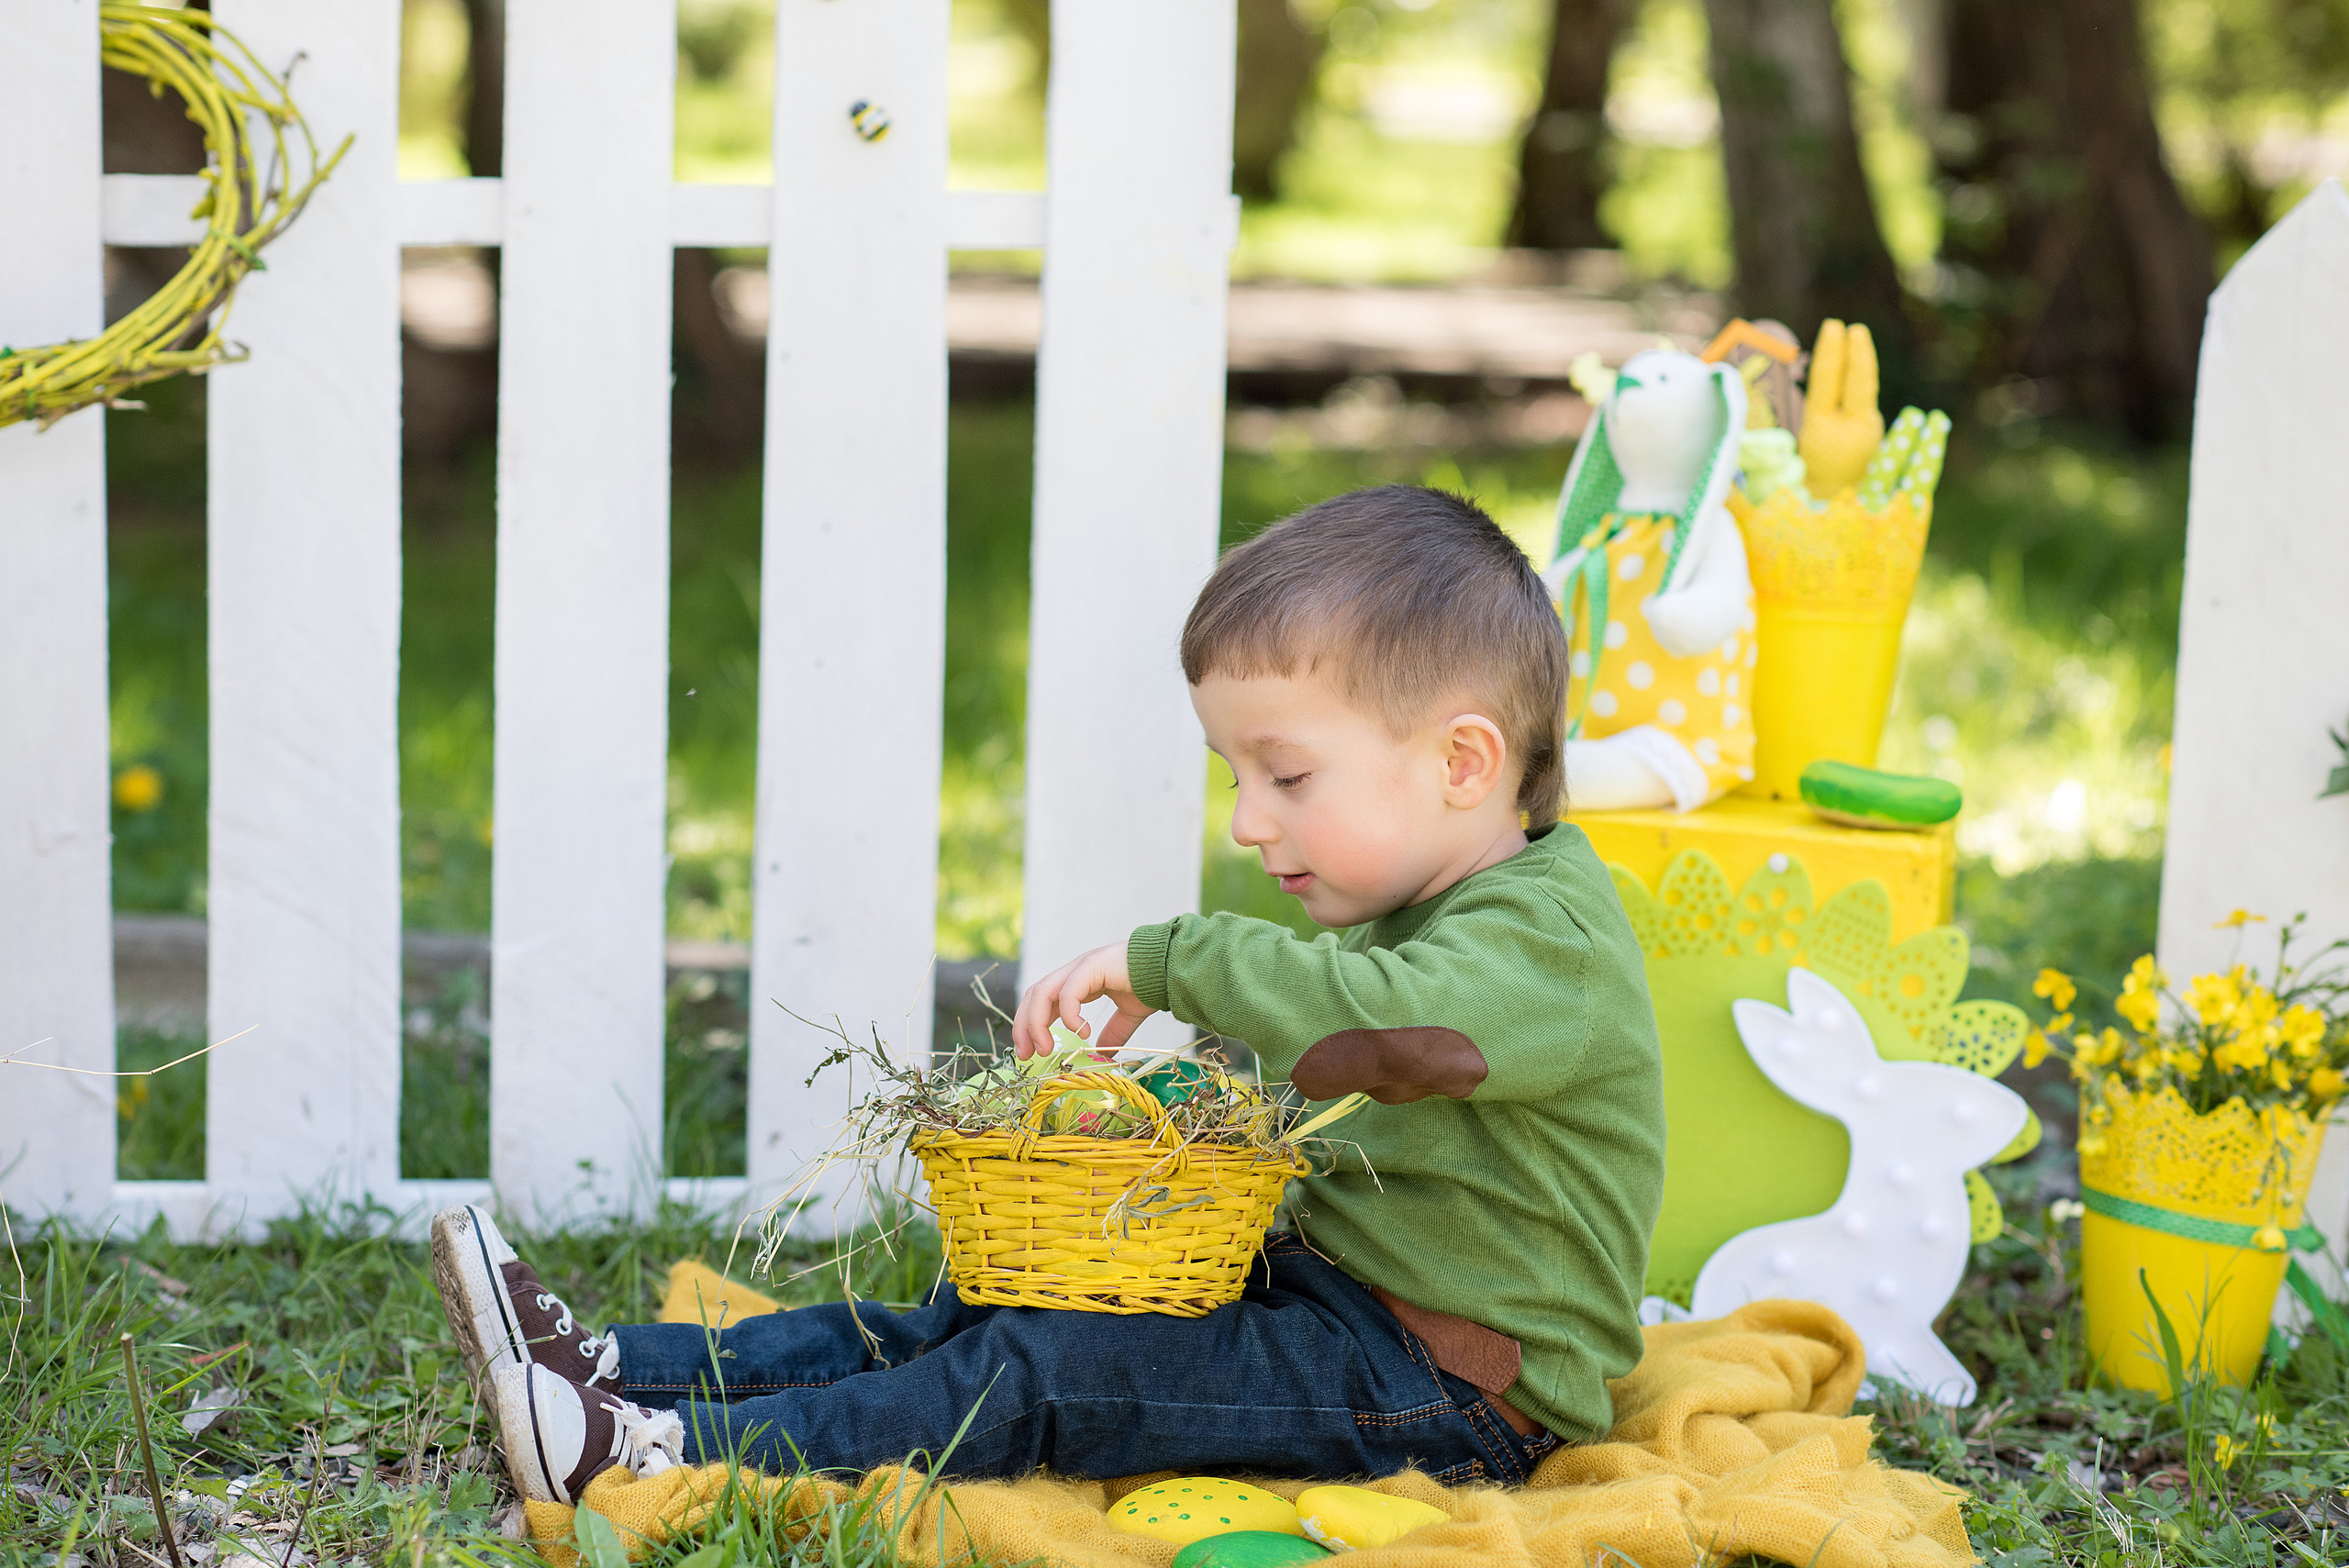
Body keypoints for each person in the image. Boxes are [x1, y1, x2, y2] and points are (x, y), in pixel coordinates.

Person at [431, 485, 1665, 1506]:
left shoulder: (1546, 936)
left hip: (1459, 1392)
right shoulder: (1416, 909)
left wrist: (1178, 959)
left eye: (1286, 773)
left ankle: (663, 1457)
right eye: (1236, 774)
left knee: (1051, 1365)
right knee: (989, 1307)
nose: (1246, 821)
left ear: (1461, 762)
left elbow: (1395, 1035)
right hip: (1338, 1310)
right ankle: (609, 1371)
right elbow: (1344, 1068)